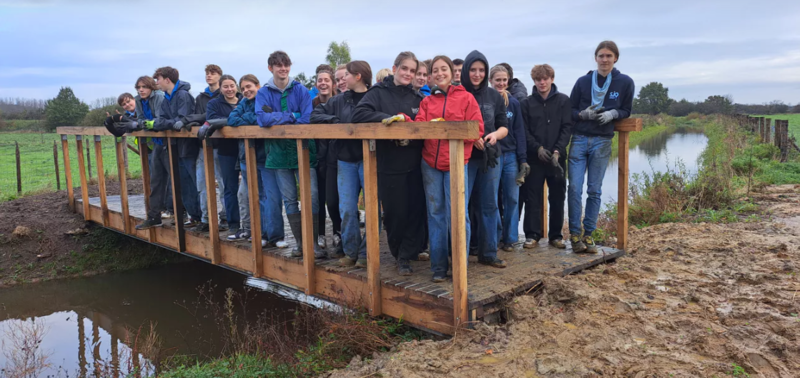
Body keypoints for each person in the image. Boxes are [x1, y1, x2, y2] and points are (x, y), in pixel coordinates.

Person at [352, 51, 426, 274]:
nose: (408, 74)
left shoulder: (418, 98)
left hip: (415, 162)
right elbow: (359, 114)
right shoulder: (378, 93)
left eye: (412, 71)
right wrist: (390, 122)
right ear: (395, 69)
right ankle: (399, 255)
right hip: (389, 163)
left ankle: (409, 253)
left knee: (416, 211)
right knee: (395, 213)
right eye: (404, 69)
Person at [417, 55, 483, 281]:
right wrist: (405, 120)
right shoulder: (427, 102)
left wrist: (451, 134)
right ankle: (438, 267)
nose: (439, 73)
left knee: (458, 214)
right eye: (435, 70)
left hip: (456, 163)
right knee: (435, 214)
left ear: (451, 72)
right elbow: (419, 127)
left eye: (443, 69)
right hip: (430, 165)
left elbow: (477, 129)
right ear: (431, 75)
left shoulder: (466, 98)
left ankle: (459, 265)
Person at [255, 50, 324, 259]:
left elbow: (306, 118)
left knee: (311, 196)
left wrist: (278, 117)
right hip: (278, 154)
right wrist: (289, 116)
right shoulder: (263, 93)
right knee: (289, 199)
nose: (283, 69)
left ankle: (313, 244)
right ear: (271, 68)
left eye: (286, 65)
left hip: (303, 151)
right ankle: (301, 244)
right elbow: (262, 119)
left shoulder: (301, 90)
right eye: (278, 65)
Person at [568, 40, 634, 253]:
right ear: (595, 58)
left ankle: (589, 235)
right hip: (579, 139)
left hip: (602, 141)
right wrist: (581, 114)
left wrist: (613, 114)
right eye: (601, 56)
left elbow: (626, 110)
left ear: (615, 58)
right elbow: (569, 111)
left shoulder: (624, 82)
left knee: (594, 190)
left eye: (608, 56)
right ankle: (575, 235)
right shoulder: (582, 81)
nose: (604, 60)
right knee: (575, 188)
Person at [311, 60, 372, 265]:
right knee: (346, 208)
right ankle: (350, 251)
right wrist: (334, 122)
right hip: (344, 160)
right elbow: (316, 114)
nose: (341, 80)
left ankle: (365, 254)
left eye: (345, 75)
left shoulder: (374, 97)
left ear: (358, 76)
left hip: (369, 159)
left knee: (372, 209)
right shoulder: (339, 101)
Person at [227, 74, 287, 248]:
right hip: (247, 157)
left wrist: (249, 119)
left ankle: (276, 236)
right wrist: (253, 119)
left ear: (258, 86)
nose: (246, 91)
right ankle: (262, 234)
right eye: (243, 88)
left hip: (267, 156)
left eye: (249, 86)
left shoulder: (265, 100)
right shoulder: (243, 103)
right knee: (256, 197)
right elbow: (232, 119)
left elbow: (266, 118)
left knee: (272, 197)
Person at [462, 50, 508, 268]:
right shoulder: (458, 93)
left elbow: (503, 126)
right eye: (473, 70)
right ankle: (461, 252)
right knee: (463, 206)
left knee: (489, 205)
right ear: (466, 71)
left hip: (490, 157)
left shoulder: (494, 96)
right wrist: (472, 138)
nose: (477, 74)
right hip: (465, 157)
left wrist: (494, 136)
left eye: (481, 70)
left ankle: (489, 252)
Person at [136, 66, 197, 230]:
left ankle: (189, 216)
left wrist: (160, 124)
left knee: (181, 183)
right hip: (160, 143)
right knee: (156, 182)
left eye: (158, 79)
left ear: (167, 80)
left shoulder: (182, 95)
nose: (157, 83)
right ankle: (154, 216)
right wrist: (161, 123)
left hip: (179, 146)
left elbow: (181, 120)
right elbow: (162, 120)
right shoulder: (167, 98)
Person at [520, 64, 572, 249]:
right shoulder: (526, 103)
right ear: (534, 81)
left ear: (552, 79)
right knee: (532, 197)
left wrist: (558, 151)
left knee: (557, 197)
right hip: (535, 158)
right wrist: (537, 148)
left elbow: (567, 127)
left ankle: (556, 236)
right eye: (538, 79)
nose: (542, 82)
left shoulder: (564, 101)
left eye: (545, 78)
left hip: (556, 159)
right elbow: (524, 131)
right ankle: (532, 235)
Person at [489, 64, 528, 252]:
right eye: (498, 80)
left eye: (504, 80)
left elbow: (520, 131)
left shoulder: (514, 103)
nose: (501, 83)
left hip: (511, 155)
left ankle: (511, 238)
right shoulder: (487, 101)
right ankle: (495, 236)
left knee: (512, 198)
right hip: (493, 155)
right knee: (493, 199)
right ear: (491, 81)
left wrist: (523, 159)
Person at [200, 74, 242, 237]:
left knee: (250, 188)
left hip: (247, 149)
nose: (229, 89)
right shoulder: (214, 103)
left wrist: (224, 121)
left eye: (232, 85)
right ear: (221, 88)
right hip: (227, 150)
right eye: (226, 86)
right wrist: (234, 121)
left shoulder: (243, 100)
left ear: (236, 86)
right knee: (230, 188)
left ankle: (250, 222)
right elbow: (212, 120)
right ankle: (233, 223)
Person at [189, 64, 227, 232]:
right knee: (202, 183)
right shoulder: (201, 98)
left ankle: (226, 217)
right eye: (207, 73)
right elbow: (198, 117)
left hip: (221, 144)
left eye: (213, 73)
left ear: (220, 75)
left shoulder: (225, 93)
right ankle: (206, 219)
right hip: (204, 144)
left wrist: (203, 119)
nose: (209, 76)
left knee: (224, 183)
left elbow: (216, 116)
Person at [312, 69, 343, 253]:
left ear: (333, 84)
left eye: (326, 80)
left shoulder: (339, 101)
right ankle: (321, 234)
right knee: (320, 197)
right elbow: (311, 119)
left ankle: (339, 232)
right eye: (319, 80)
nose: (323, 83)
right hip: (318, 155)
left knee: (336, 198)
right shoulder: (313, 103)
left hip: (335, 155)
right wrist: (333, 120)